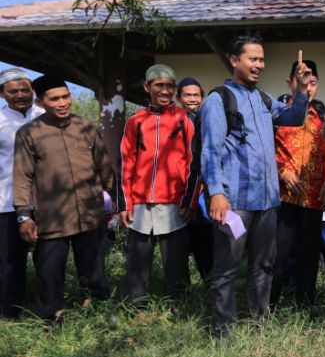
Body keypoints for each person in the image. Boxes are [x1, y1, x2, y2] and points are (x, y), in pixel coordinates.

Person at [200, 36, 310, 334]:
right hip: (234, 202)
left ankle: (259, 322)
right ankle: (222, 329)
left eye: (262, 60)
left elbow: (295, 117)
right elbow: (210, 151)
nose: (259, 65)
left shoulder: (262, 99)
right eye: (253, 59)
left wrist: (300, 90)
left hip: (267, 202)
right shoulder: (219, 100)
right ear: (234, 60)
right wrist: (217, 193)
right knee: (227, 267)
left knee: (263, 265)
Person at [13, 74, 114, 326]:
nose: (62, 103)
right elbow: (22, 176)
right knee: (49, 273)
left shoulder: (87, 127)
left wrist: (116, 203)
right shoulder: (30, 133)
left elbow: (105, 168)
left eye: (65, 97)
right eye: (54, 99)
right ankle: (50, 321)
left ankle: (99, 316)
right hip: (52, 218)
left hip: (90, 215)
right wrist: (24, 215)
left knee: (94, 272)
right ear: (41, 101)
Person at [119, 65, 196, 303]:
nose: (165, 91)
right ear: (147, 87)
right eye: (159, 85)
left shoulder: (185, 119)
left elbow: (195, 163)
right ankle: (135, 306)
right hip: (140, 202)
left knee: (175, 260)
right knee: (137, 259)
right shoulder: (136, 121)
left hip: (175, 201)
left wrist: (189, 200)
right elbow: (126, 162)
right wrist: (125, 203)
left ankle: (178, 306)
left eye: (170, 86)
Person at [271, 59, 325, 307]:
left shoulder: (320, 121)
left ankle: (305, 305)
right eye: (302, 81)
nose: (308, 87)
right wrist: (281, 171)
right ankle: (269, 305)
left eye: (312, 82)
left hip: (313, 201)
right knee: (278, 254)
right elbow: (263, 152)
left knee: (308, 256)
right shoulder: (278, 115)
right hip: (283, 198)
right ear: (291, 83)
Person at [0, 68, 44, 319]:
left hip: (45, 201)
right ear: (2, 94)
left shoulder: (44, 116)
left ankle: (46, 308)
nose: (20, 95)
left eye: (25, 90)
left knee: (47, 259)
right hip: (6, 202)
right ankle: (9, 313)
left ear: (33, 90)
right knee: (9, 262)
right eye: (13, 91)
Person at [176, 76, 214, 281]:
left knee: (206, 244)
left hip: (205, 192)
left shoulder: (207, 119)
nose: (192, 99)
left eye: (196, 95)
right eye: (187, 95)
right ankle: (182, 293)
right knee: (181, 246)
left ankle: (209, 286)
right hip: (183, 191)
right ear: (179, 97)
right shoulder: (176, 123)